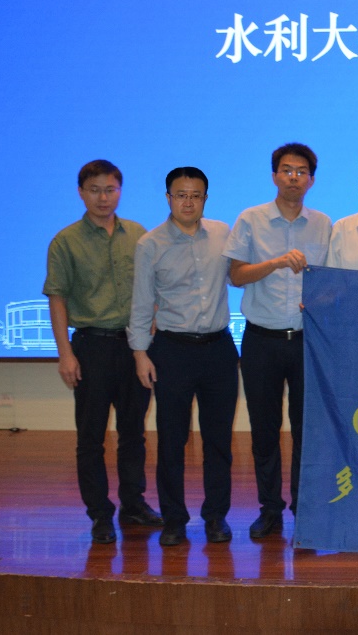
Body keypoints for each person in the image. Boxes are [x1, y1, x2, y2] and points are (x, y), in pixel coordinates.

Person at [43, 159, 161, 544]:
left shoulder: (138, 235)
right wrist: (65, 354)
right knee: (91, 437)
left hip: (135, 347)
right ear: (81, 192)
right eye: (94, 190)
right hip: (91, 347)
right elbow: (57, 298)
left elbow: (153, 287)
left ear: (120, 191)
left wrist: (152, 324)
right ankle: (99, 514)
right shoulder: (65, 241)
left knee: (133, 433)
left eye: (110, 189)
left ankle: (134, 504)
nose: (103, 198)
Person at [224, 143, 331, 540]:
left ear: (311, 180)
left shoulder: (323, 224)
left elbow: (329, 279)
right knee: (264, 429)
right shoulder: (250, 219)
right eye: (286, 170)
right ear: (274, 176)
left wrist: (319, 298)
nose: (293, 177)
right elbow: (236, 275)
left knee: (306, 429)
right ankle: (269, 509)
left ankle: (304, 507)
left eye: (301, 171)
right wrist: (275, 263)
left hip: (306, 340)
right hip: (262, 341)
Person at [130, 167, 238, 547]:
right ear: (168, 198)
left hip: (219, 350)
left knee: (218, 442)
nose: (188, 202)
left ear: (205, 199)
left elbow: (241, 276)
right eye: (181, 195)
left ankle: (216, 518)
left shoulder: (223, 234)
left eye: (196, 195)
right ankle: (174, 520)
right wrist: (140, 353)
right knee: (172, 441)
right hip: (172, 351)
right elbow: (141, 304)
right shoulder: (150, 244)